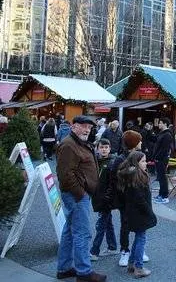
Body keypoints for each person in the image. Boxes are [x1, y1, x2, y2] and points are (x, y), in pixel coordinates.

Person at [56, 115, 106, 282]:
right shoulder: (69, 145)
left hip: (78, 195)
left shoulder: (79, 143)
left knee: (70, 231)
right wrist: (80, 193)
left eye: (90, 127)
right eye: (83, 126)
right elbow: (65, 175)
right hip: (76, 195)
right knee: (82, 233)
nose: (87, 130)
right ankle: (84, 272)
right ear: (73, 127)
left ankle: (63, 268)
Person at [109, 130, 150, 267]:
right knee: (125, 225)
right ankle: (125, 251)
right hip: (125, 200)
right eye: (139, 140)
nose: (141, 142)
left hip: (138, 199)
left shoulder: (140, 156)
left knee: (141, 225)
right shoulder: (121, 159)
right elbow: (114, 180)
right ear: (134, 142)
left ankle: (138, 251)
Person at [117, 151, 157, 278]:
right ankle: (138, 267)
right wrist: (150, 213)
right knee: (141, 238)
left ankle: (131, 264)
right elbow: (140, 199)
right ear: (136, 162)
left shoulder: (131, 174)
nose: (146, 163)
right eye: (143, 161)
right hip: (139, 213)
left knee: (139, 237)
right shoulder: (136, 176)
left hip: (132, 212)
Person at [90, 139, 118, 261]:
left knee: (100, 225)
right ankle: (112, 247)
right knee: (108, 223)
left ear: (110, 148)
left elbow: (113, 184)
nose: (104, 149)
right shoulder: (94, 161)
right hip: (98, 196)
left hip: (106, 199)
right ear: (97, 148)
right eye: (102, 147)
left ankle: (94, 252)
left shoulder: (112, 163)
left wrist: (107, 197)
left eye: (106, 147)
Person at [152, 117, 173, 204]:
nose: (159, 124)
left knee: (163, 178)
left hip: (162, 159)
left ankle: (165, 196)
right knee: (160, 178)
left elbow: (164, 149)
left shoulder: (167, 135)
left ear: (165, 124)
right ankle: (161, 194)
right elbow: (156, 142)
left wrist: (157, 158)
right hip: (158, 159)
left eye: (160, 123)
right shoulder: (162, 133)